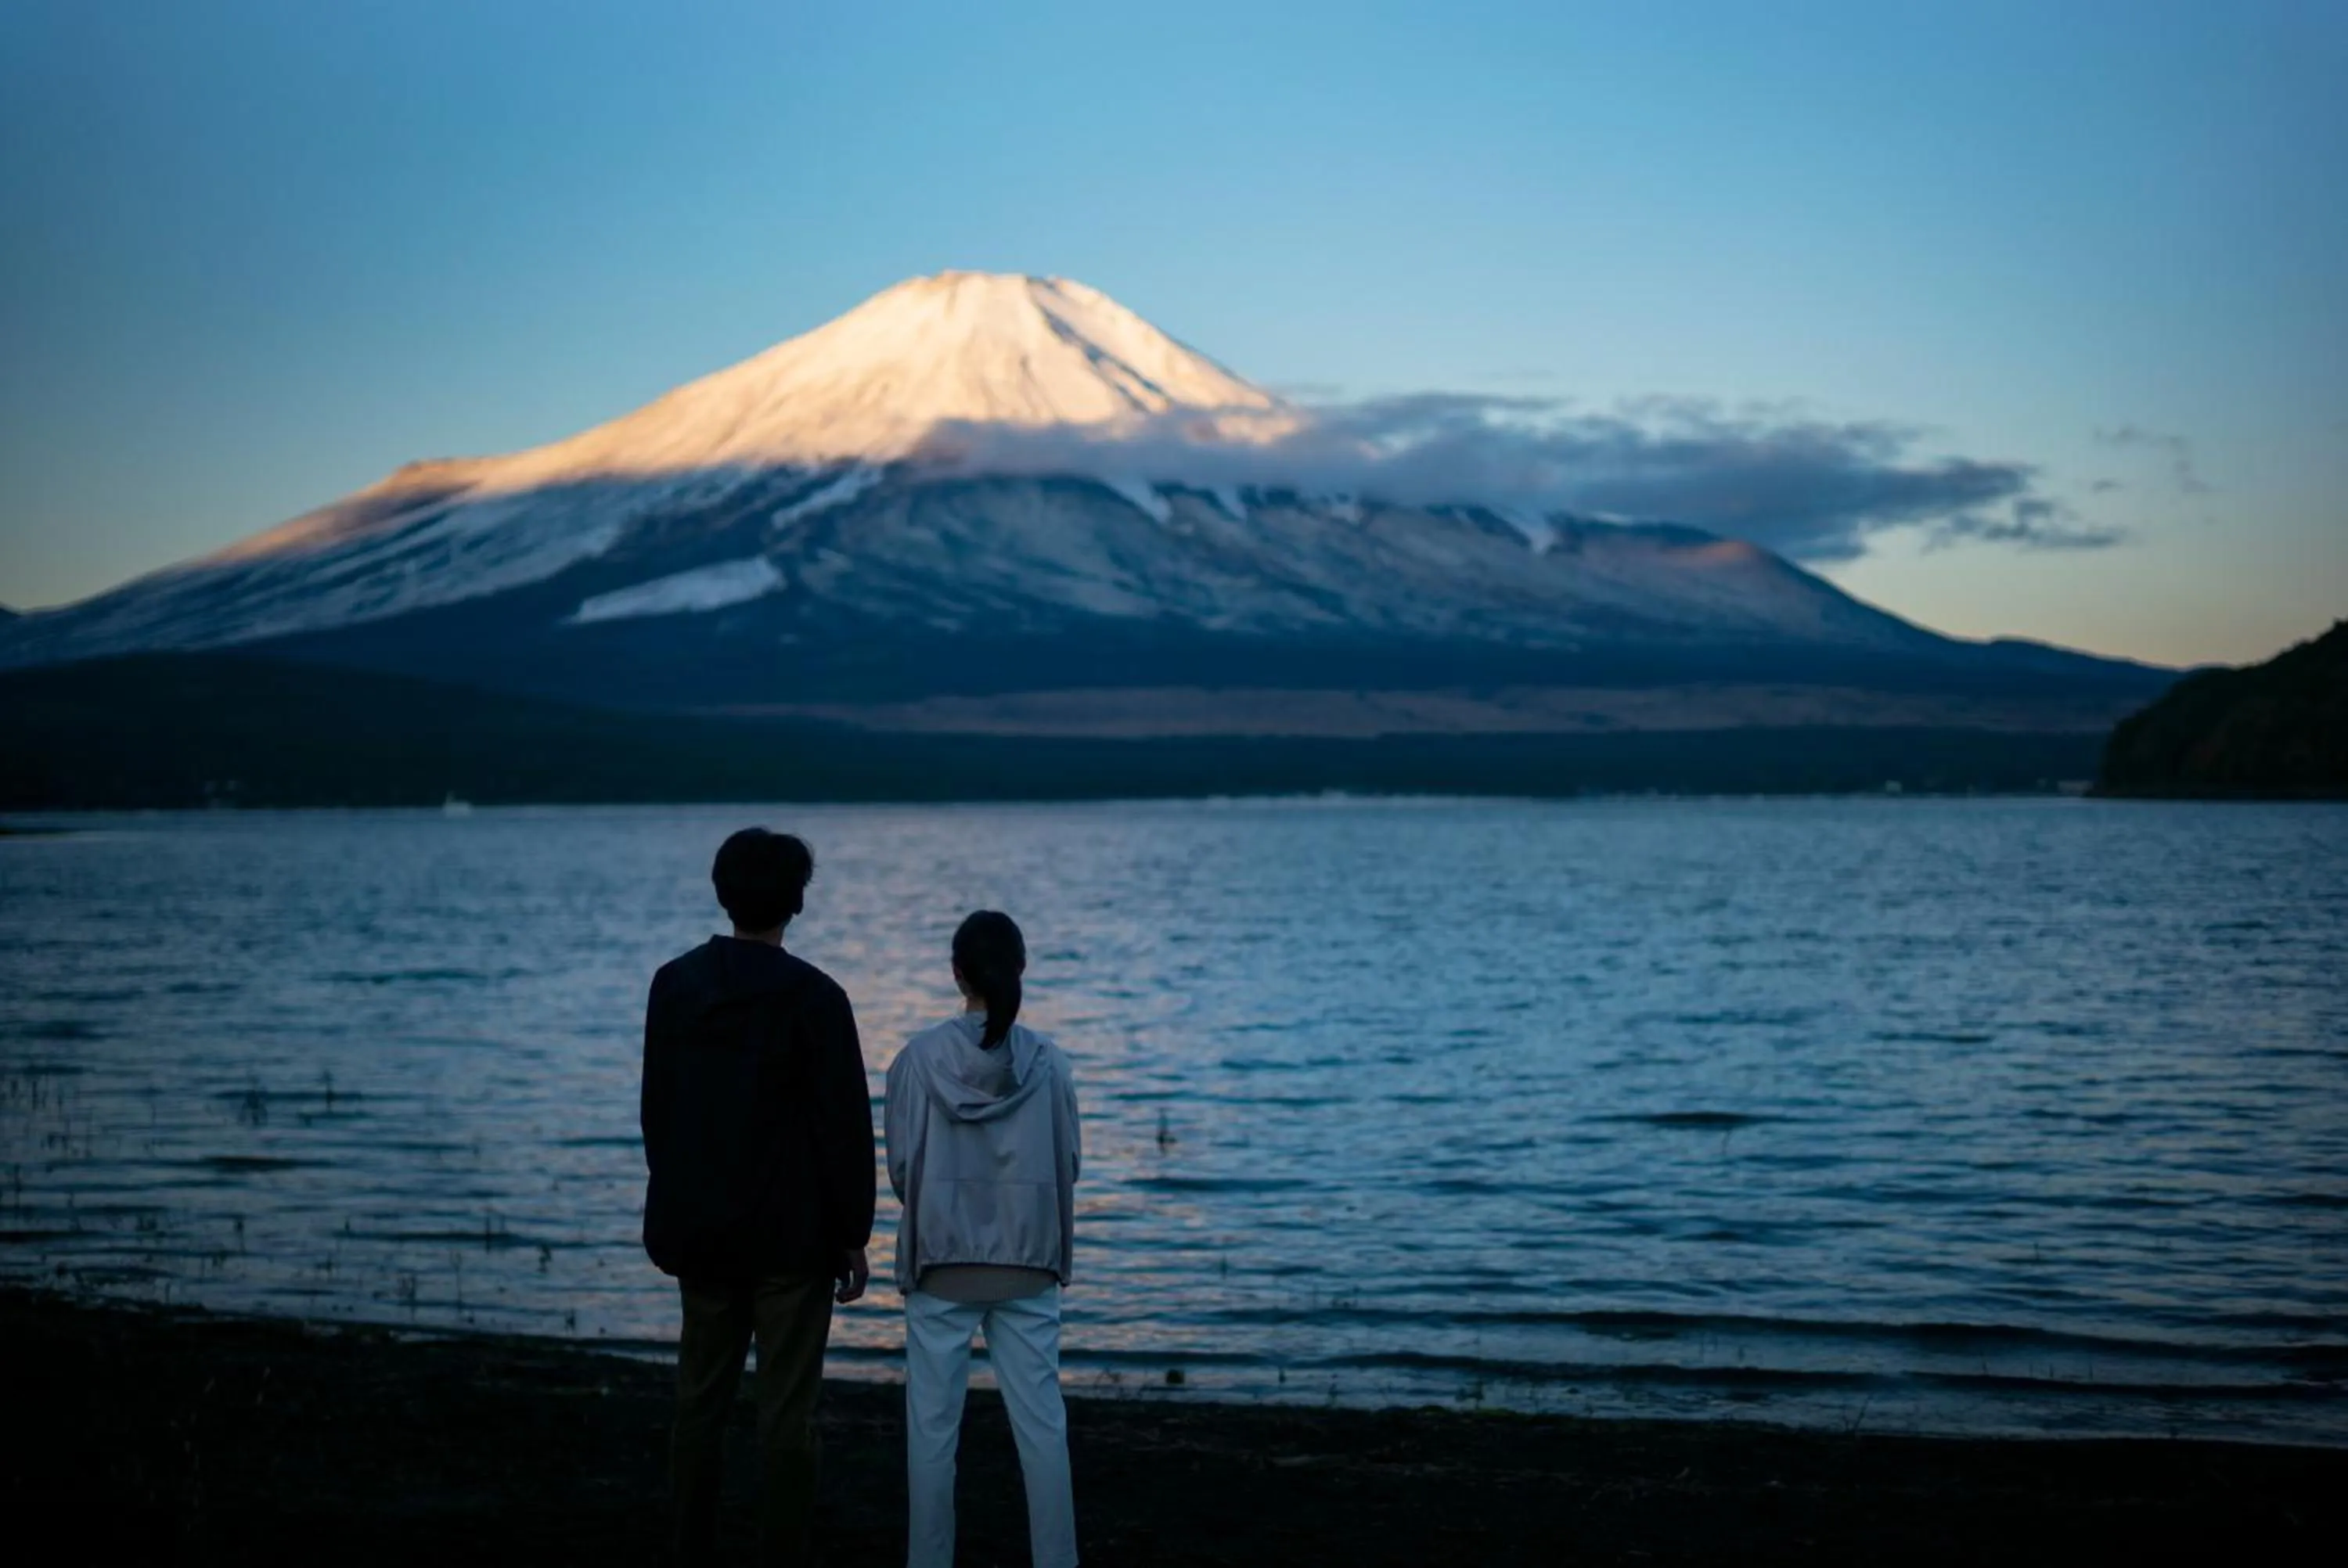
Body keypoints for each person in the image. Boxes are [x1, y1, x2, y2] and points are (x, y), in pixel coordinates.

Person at [640, 828, 876, 1567]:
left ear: (721, 891)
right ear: (797, 902)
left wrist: (676, 1199)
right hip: (793, 1242)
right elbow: (843, 1127)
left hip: (704, 1231)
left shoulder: (675, 985)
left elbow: (658, 1112)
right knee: (787, 1414)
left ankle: (690, 1547)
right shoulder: (818, 998)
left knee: (698, 1403)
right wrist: (852, 1232)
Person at [886, 910, 1082, 1568]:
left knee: (932, 1433)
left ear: (956, 974)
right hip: (1027, 1263)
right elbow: (1069, 1162)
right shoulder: (1050, 1064)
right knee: (1043, 1429)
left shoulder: (915, 1062)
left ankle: (928, 1560)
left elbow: (903, 1170)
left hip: (941, 1262)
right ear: (1019, 971)